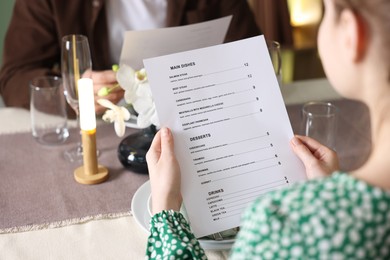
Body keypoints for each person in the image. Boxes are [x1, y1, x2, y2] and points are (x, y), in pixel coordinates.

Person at [145, 0, 390, 258]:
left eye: (325, 11)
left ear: (352, 33)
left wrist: (165, 210)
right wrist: (330, 194)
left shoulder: (280, 225)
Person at [0, 0, 260, 115]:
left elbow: (253, 61)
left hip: (194, 115)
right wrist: (74, 92)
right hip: (102, 126)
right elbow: (15, 76)